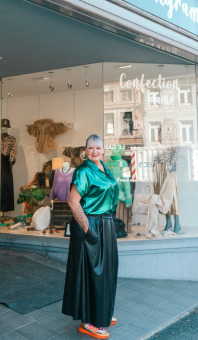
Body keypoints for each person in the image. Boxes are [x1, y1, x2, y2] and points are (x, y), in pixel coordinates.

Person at [62, 134, 119, 339]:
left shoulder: (105, 168)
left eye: (98, 147)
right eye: (90, 148)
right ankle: (88, 321)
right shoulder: (85, 171)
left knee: (106, 271)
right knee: (90, 274)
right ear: (85, 150)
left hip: (105, 223)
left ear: (104, 150)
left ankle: (100, 313)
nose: (94, 151)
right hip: (91, 223)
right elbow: (73, 201)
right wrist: (88, 230)